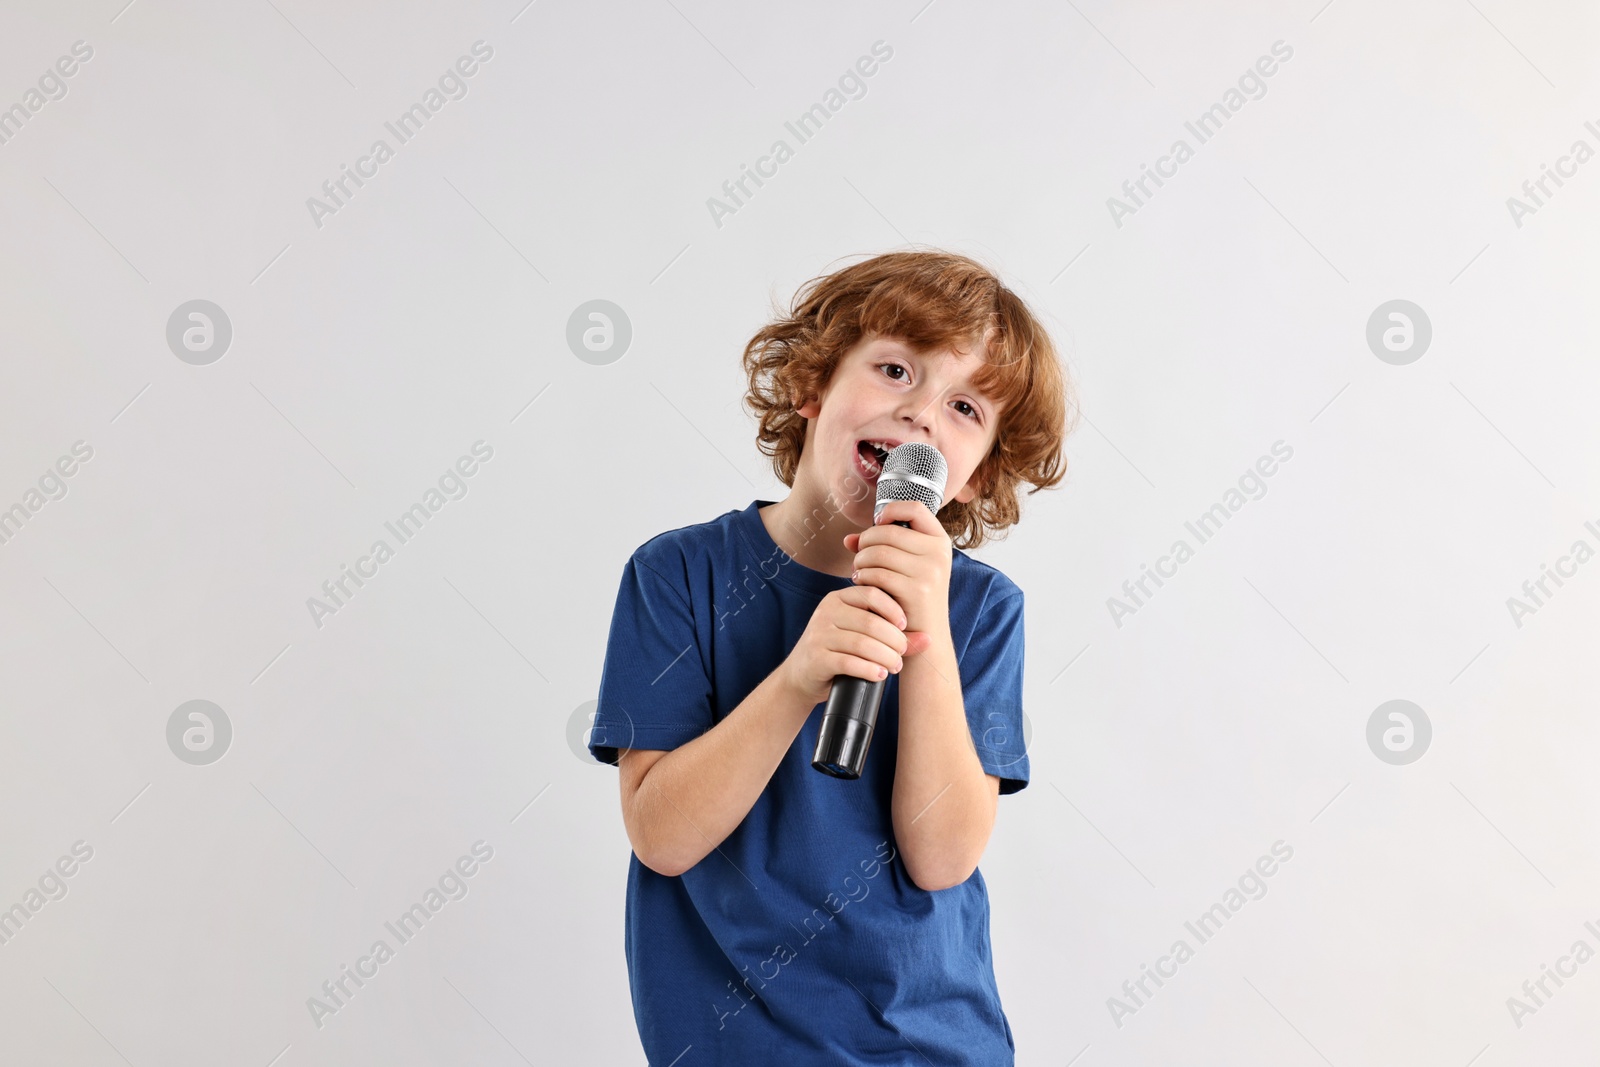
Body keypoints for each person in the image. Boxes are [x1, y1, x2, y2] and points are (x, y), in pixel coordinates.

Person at [589, 248, 1074, 1065]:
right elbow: (661, 836)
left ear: (974, 474)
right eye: (894, 369)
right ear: (812, 384)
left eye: (964, 407)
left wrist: (925, 639)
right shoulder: (677, 574)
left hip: (928, 1042)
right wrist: (798, 678)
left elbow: (943, 854)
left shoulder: (982, 610)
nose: (922, 413)